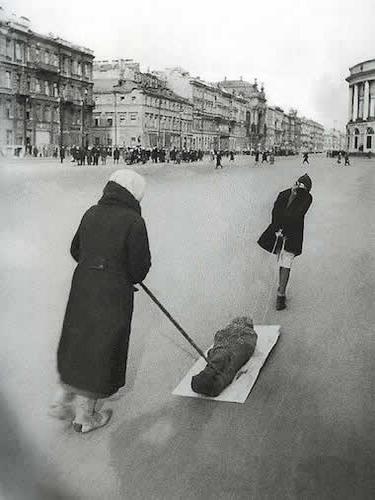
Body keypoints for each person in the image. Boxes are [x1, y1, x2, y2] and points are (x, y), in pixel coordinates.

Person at [50, 170, 152, 433]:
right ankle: (85, 417)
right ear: (134, 195)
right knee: (101, 347)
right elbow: (139, 268)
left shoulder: (91, 212)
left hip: (83, 287)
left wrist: (93, 265)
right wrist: (119, 273)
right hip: (113, 294)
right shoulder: (134, 221)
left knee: (78, 340)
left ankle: (61, 401)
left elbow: (76, 249)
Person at [257, 174, 313, 311]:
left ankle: (281, 292)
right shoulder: (301, 196)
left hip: (285, 234)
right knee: (285, 263)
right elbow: (284, 214)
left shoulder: (296, 196)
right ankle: (281, 293)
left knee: (284, 263)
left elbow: (287, 214)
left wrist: (279, 228)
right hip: (286, 235)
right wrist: (280, 229)